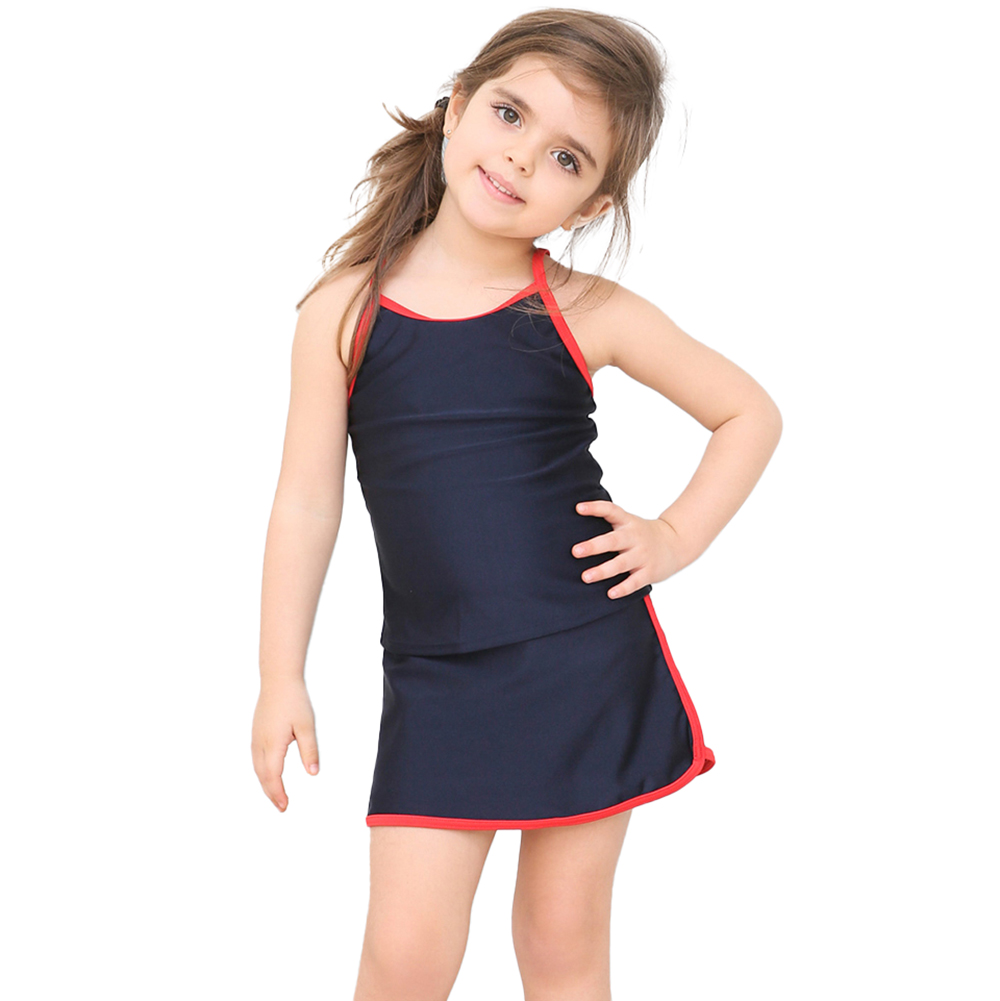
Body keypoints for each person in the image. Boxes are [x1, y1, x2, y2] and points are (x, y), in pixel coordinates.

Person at [252, 8, 781, 998]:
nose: (522, 157)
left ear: (590, 201)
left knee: (560, 940)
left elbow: (747, 411)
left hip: (582, 657)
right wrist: (280, 674)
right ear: (457, 106)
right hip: (436, 675)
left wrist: (674, 535)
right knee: (405, 955)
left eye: (566, 157)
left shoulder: (585, 308)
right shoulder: (343, 311)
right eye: (509, 113)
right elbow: (306, 504)